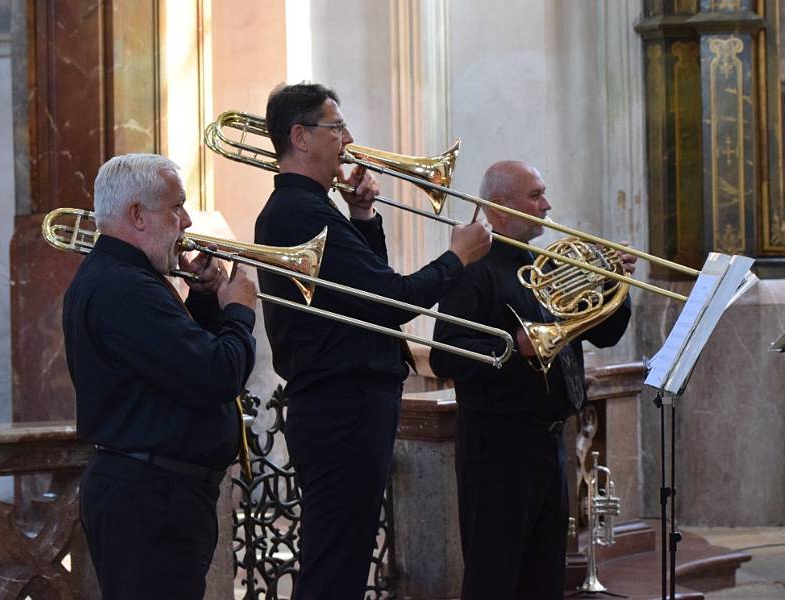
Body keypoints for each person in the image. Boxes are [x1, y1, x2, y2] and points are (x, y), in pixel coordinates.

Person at [254, 82, 492, 599]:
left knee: (342, 556)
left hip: (347, 401)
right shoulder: (301, 213)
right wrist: (457, 259)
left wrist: (362, 218)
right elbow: (391, 299)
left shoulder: (315, 210)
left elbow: (363, 296)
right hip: (342, 404)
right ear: (299, 136)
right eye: (336, 126)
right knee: (335, 563)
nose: (349, 138)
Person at [429, 160, 636, 599]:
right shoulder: (473, 269)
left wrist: (613, 285)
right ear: (500, 206)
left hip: (549, 441)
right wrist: (510, 346)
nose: (547, 206)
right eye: (535, 196)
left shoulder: (546, 265)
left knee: (543, 576)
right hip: (497, 445)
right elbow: (446, 353)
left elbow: (604, 332)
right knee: (494, 574)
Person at [63, 153, 258, 600]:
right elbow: (217, 376)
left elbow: (183, 370)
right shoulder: (126, 288)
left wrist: (208, 302)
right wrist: (240, 313)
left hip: (153, 496)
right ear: (137, 215)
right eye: (177, 206)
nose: (187, 221)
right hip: (150, 503)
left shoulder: (125, 279)